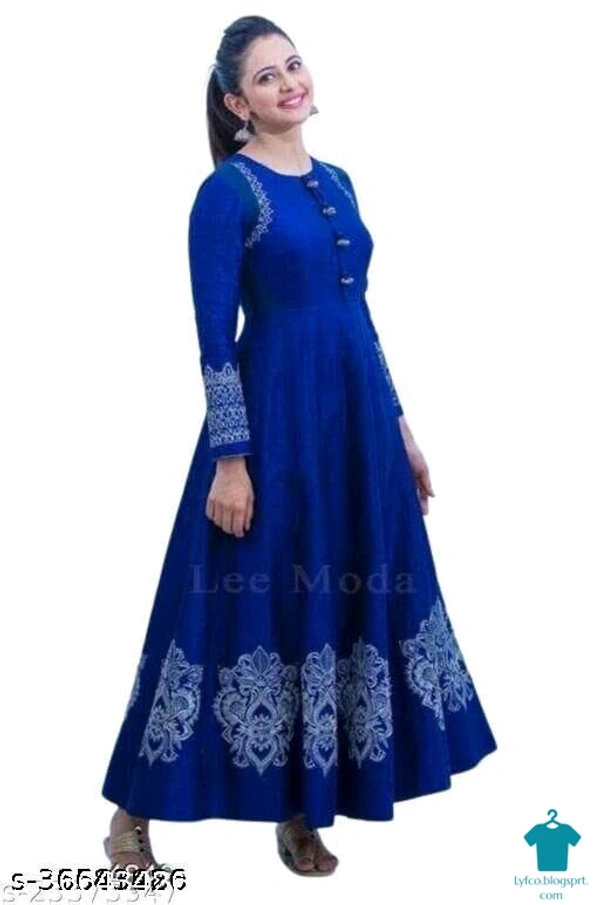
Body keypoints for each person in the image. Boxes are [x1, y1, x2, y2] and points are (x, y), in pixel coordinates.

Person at [100, 15, 498, 878]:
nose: (289, 83)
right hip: (274, 425)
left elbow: (360, 315)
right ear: (236, 103)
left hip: (355, 425)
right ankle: (130, 814)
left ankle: (302, 808)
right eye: (266, 77)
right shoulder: (228, 194)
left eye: (293, 65)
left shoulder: (339, 181)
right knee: (228, 606)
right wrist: (231, 460)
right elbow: (214, 336)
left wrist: (401, 429)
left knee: (332, 603)